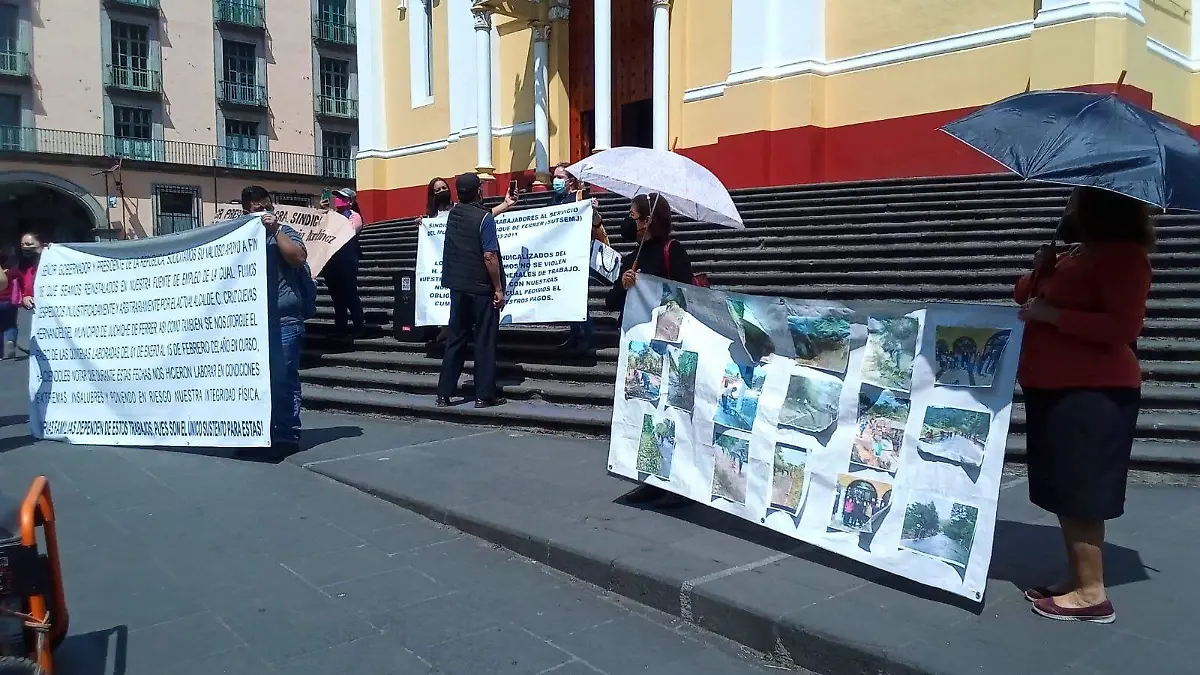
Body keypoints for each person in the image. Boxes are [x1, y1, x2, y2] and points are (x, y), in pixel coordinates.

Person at [1015, 186, 1153, 624]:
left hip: (1093, 391)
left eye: (1075, 198)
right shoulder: (1078, 252)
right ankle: (1077, 577)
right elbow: (1024, 297)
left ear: (1099, 205)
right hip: (1055, 386)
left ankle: (1092, 594)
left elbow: (1123, 325)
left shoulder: (1124, 256)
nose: (1068, 205)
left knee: (1083, 490)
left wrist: (1055, 317)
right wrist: (1042, 271)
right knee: (1065, 488)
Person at [608, 194, 694, 507]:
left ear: (647, 220)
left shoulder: (673, 250)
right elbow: (610, 302)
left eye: (633, 216)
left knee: (673, 413)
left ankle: (678, 484)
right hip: (643, 353)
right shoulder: (635, 255)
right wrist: (624, 283)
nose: (629, 221)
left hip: (672, 348)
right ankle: (650, 478)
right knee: (646, 412)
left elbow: (690, 296)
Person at [240, 186, 313, 456]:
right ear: (246, 210)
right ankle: (257, 433)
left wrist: (275, 231)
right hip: (250, 322)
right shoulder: (239, 235)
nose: (263, 213)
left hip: (284, 321)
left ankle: (286, 434)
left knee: (283, 378)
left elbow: (298, 257)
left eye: (267, 207)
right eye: (257, 209)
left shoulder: (285, 232)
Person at [436, 173, 507, 409]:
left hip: (458, 287)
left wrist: (505, 206)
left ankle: (444, 394)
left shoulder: (455, 214)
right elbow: (489, 256)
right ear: (478, 191)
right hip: (480, 288)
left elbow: (478, 219)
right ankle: (483, 395)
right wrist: (498, 287)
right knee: (484, 341)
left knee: (455, 339)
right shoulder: (484, 218)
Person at [549, 163, 608, 353]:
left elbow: (597, 224)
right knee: (568, 299)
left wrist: (594, 211)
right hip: (562, 256)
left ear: (570, 181)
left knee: (579, 301)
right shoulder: (554, 201)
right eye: (554, 177)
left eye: (559, 177)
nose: (555, 181)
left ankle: (588, 338)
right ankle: (575, 335)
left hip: (579, 256)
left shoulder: (581, 198)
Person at [322, 187, 366, 339]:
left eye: (342, 197)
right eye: (337, 197)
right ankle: (341, 327)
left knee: (350, 294)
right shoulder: (331, 215)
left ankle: (359, 325)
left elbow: (348, 231)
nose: (338, 199)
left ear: (351, 201)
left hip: (347, 261)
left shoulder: (355, 217)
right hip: (332, 261)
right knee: (337, 297)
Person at [0, 234, 42, 358]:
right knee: (11, 324)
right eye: (22, 245)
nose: (24, 247)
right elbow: (20, 279)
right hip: (9, 302)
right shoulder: (13, 271)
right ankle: (10, 341)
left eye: (28, 244)